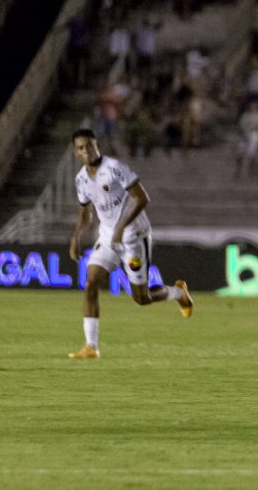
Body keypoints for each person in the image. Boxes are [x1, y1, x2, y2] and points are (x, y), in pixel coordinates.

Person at [67, 129, 193, 359]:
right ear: (76, 153)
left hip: (134, 235)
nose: (87, 150)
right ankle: (91, 347)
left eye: (91, 145)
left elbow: (142, 197)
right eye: (82, 148)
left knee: (141, 298)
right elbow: (86, 212)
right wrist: (76, 236)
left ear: (98, 145)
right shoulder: (81, 180)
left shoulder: (115, 168)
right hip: (107, 237)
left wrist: (121, 227)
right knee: (90, 282)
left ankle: (178, 293)